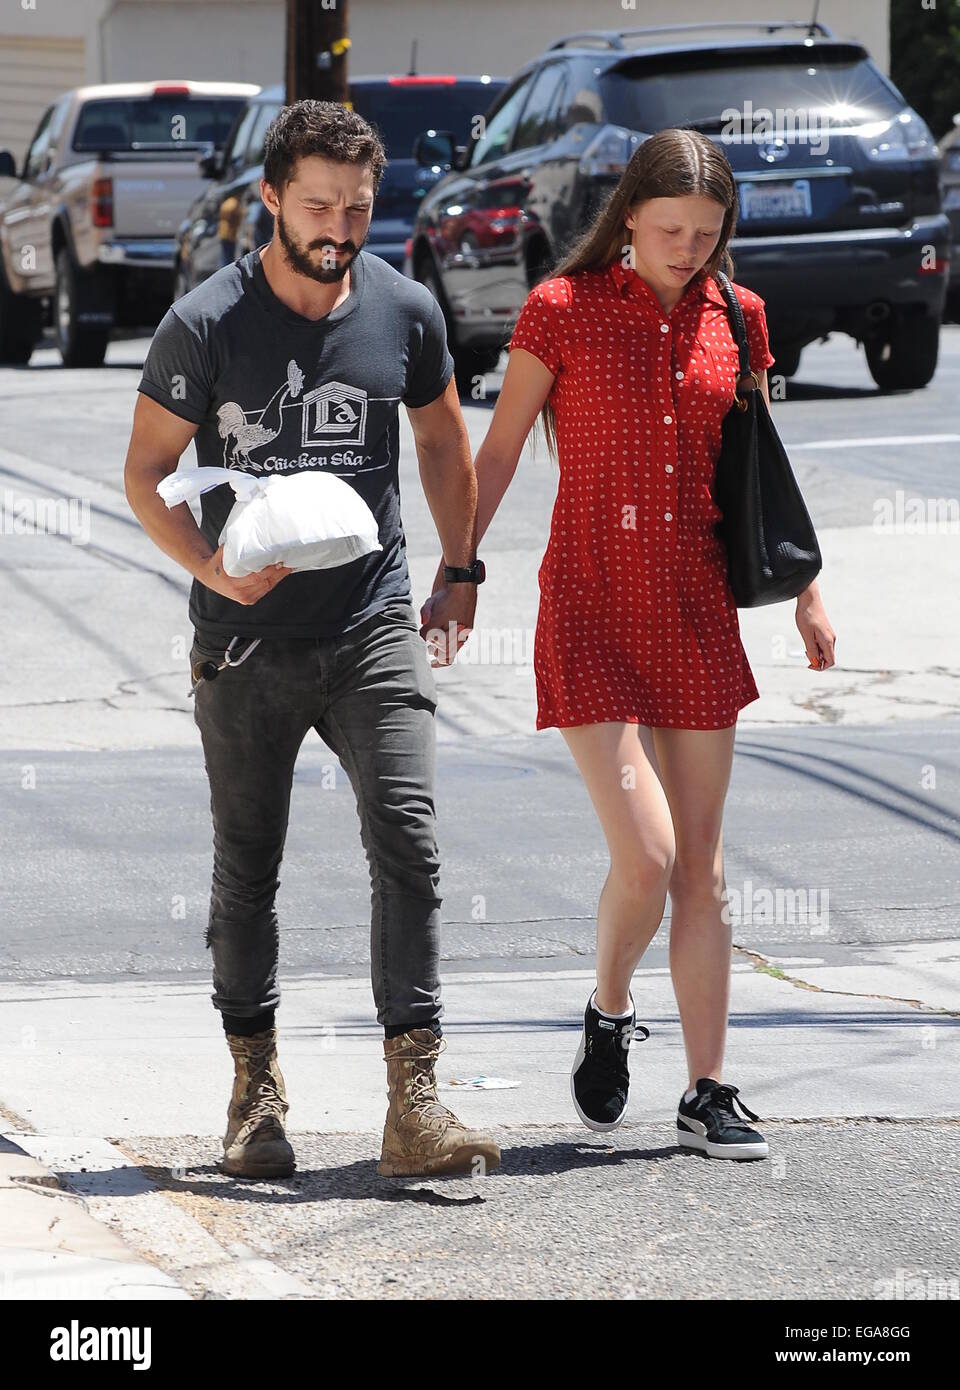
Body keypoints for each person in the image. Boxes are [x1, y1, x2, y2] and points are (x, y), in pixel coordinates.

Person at [422, 127, 837, 1161]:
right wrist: (460, 569)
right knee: (646, 857)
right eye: (669, 230)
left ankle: (707, 1089)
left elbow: (757, 470)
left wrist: (807, 591)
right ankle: (610, 1006)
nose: (688, 248)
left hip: (696, 604)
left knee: (701, 865)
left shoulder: (739, 319)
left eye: (706, 233)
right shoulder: (561, 310)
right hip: (592, 603)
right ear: (628, 218)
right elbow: (503, 447)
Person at [123, 99, 499, 1181]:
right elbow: (147, 477)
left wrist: (459, 567)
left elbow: (439, 434)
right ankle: (255, 1093)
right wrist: (211, 569)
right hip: (245, 641)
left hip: (373, 616)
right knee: (248, 865)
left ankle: (414, 1103)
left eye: (360, 208)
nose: (340, 226)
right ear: (274, 199)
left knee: (410, 838)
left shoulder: (404, 307)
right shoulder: (205, 322)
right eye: (320, 204)